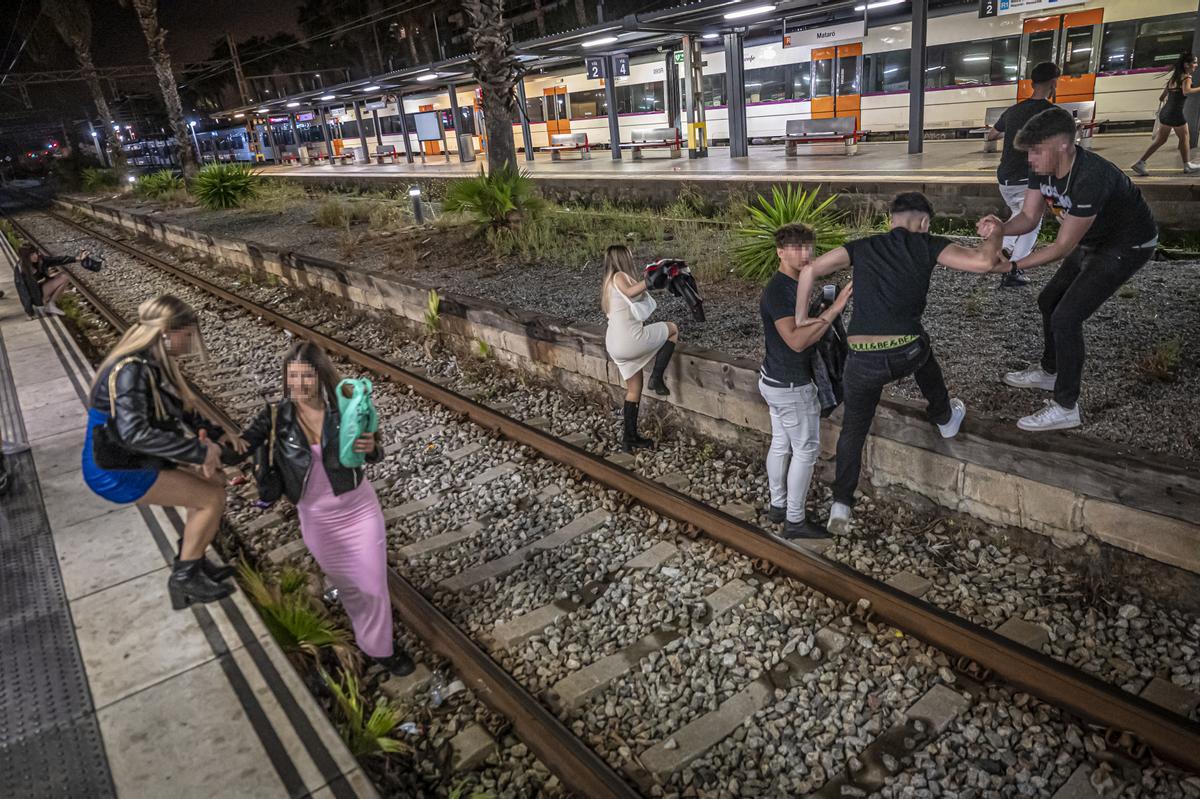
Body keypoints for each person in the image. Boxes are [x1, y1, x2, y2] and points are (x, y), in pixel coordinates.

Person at [795, 192, 1005, 535]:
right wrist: (996, 231)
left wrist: (803, 319)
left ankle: (841, 505)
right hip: (905, 352)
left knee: (853, 429)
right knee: (922, 347)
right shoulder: (928, 244)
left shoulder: (861, 247)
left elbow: (810, 271)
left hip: (861, 358)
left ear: (891, 220)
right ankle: (944, 416)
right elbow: (984, 262)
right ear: (924, 223)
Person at [231, 342, 414, 676]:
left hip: (358, 510)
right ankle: (367, 632)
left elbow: (374, 454)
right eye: (293, 377)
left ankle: (380, 648)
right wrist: (203, 452)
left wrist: (371, 446)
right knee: (349, 586)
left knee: (372, 583)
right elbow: (240, 446)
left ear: (320, 376)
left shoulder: (344, 408)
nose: (299, 385)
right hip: (317, 519)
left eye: (307, 376)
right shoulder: (275, 417)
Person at [979, 106, 1158, 432]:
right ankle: (1050, 373)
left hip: (1126, 245)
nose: (1029, 159)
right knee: (1049, 301)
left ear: (1062, 146)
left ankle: (1065, 406)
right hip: (1093, 238)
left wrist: (1012, 265)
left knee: (1067, 316)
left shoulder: (1090, 179)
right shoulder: (1041, 167)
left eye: (1035, 151)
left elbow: (1061, 247)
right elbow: (1030, 218)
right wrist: (1000, 228)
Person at [83, 296, 246, 609]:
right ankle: (184, 581)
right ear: (169, 332)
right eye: (188, 333)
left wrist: (218, 436)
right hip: (117, 469)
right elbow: (135, 434)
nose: (191, 341)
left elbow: (183, 410)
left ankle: (193, 561)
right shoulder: (132, 370)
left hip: (131, 458)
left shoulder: (150, 361)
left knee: (216, 485)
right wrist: (199, 453)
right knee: (210, 498)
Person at [759, 224, 853, 540]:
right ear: (780, 252)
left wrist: (820, 313)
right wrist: (836, 309)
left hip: (772, 379)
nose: (805, 253)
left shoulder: (793, 285)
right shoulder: (780, 290)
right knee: (805, 450)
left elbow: (800, 327)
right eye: (797, 248)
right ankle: (795, 521)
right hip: (790, 385)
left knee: (782, 443)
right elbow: (797, 341)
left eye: (809, 247)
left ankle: (778, 505)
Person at [986, 61, 1060, 288]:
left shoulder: (1013, 111)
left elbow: (991, 135)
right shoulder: (1052, 113)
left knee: (1020, 214)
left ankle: (1003, 249)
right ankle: (1015, 269)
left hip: (1005, 179)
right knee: (1031, 221)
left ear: (1031, 83)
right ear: (1054, 83)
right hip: (1028, 180)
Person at [600, 245, 679, 452]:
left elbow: (639, 294)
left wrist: (660, 281)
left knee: (634, 389)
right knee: (672, 329)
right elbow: (632, 290)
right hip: (630, 340)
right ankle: (657, 378)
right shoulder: (619, 276)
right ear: (623, 257)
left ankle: (630, 438)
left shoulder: (608, 283)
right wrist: (651, 279)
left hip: (614, 344)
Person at [1132, 53, 1200, 176]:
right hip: (1175, 114)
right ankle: (1187, 166)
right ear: (1186, 65)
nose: (1196, 65)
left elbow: (1162, 97)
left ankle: (1140, 162)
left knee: (1161, 140)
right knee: (1184, 137)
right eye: (1194, 62)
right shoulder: (1186, 77)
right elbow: (1186, 91)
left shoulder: (1174, 77)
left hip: (1166, 113)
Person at [15, 244, 79, 317]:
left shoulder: (40, 260)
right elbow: (23, 292)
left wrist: (77, 258)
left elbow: (57, 259)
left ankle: (51, 304)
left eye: (35, 253)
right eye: (32, 254)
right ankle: (43, 304)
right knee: (61, 277)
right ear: (25, 257)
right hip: (35, 296)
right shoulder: (20, 270)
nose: (36, 256)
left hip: (42, 289)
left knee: (64, 276)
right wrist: (30, 312)